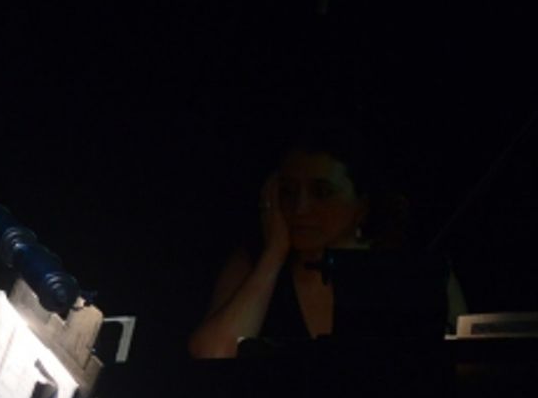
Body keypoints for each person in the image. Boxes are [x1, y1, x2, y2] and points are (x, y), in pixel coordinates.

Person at [187, 122, 465, 359]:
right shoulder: (252, 265)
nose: (300, 209)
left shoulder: (412, 271)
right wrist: (274, 254)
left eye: (321, 192)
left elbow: (464, 365)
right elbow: (212, 357)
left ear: (362, 205)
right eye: (288, 192)